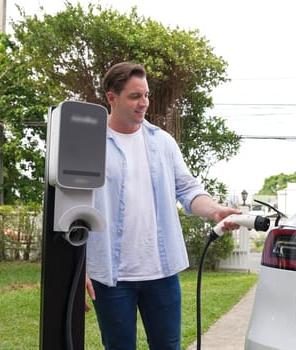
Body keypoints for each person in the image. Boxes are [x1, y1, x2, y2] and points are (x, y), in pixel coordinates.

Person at [84, 61, 241, 350]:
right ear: (111, 98)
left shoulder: (162, 142)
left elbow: (188, 189)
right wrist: (77, 268)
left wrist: (215, 210)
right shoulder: (91, 143)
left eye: (146, 95)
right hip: (111, 276)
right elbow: (75, 207)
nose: (143, 103)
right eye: (134, 96)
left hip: (162, 274)